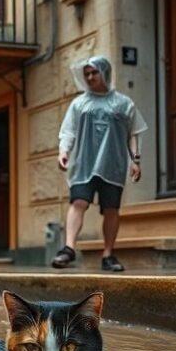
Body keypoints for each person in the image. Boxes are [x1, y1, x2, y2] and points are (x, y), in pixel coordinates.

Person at [51, 55, 148, 272]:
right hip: (83, 163)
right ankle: (68, 249)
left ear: (105, 72)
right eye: (86, 74)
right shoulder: (79, 104)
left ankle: (108, 255)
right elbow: (69, 131)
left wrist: (136, 160)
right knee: (79, 202)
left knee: (111, 209)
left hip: (113, 164)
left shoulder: (124, 103)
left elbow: (133, 133)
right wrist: (63, 151)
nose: (90, 77)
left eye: (94, 72)